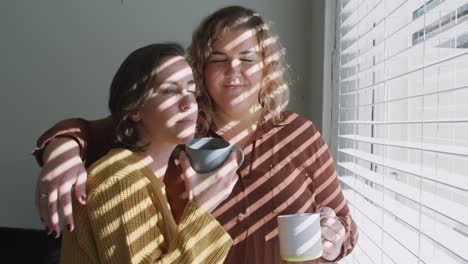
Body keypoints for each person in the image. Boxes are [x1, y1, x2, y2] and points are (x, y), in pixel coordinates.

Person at [34, 6, 358, 263]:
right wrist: (61, 152)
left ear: (266, 67)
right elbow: (91, 130)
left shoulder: (300, 135)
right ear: (202, 67)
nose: (234, 71)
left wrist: (335, 239)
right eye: (219, 60)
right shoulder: (174, 131)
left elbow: (343, 223)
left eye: (247, 59)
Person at [53, 43, 238, 263]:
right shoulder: (119, 180)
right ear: (134, 109)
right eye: (169, 91)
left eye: (191, 90)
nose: (189, 103)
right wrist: (201, 208)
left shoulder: (150, 180)